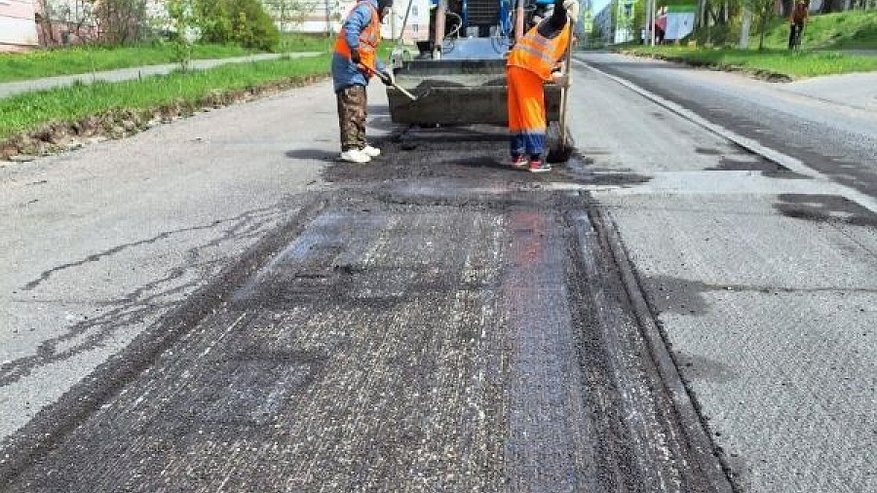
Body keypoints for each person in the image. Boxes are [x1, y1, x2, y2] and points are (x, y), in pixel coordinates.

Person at [506, 0, 579, 173]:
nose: (573, 45)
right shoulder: (559, 25)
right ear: (574, 34)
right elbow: (558, 15)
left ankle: (517, 157)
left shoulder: (557, 39)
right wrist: (564, 4)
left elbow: (548, 64)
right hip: (527, 70)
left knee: (517, 115)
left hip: (516, 65)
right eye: (575, 41)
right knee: (534, 115)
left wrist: (559, 78)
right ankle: (536, 161)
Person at [332, 0, 395, 164]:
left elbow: (370, 52)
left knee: (360, 110)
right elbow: (351, 26)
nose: (387, 12)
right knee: (352, 108)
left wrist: (383, 72)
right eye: (388, 8)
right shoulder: (366, 10)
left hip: (358, 70)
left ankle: (360, 144)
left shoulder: (373, 17)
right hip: (348, 66)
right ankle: (349, 148)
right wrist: (353, 48)